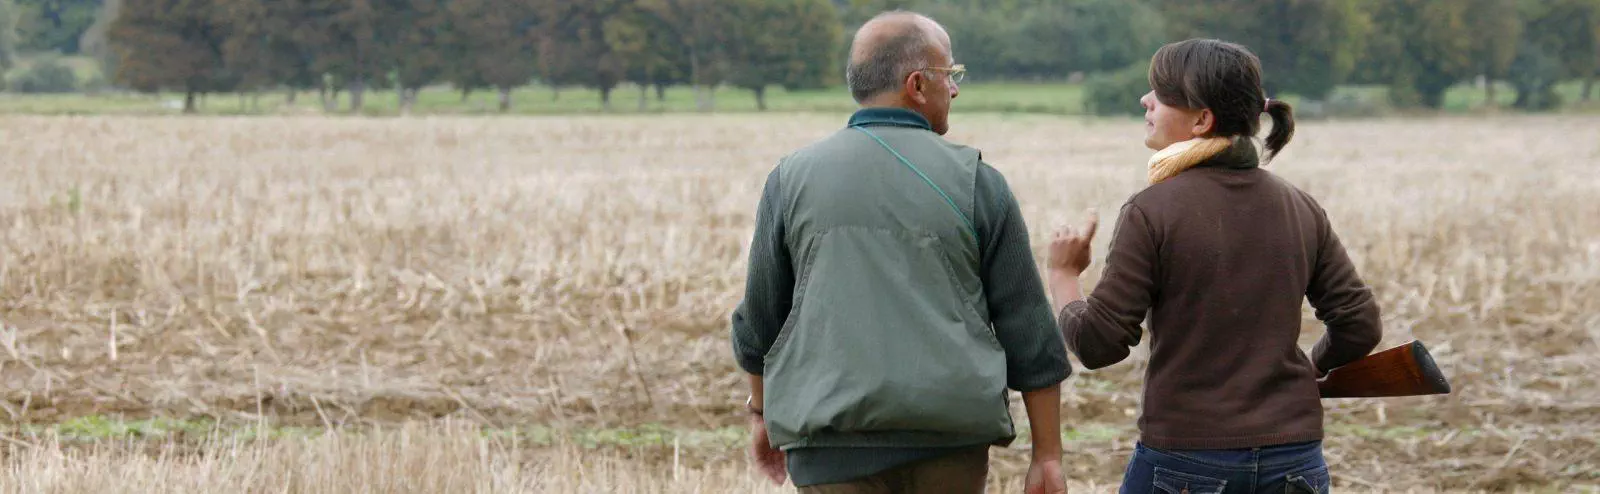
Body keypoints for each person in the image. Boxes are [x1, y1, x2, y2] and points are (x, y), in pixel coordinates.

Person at [729, 10, 1071, 494]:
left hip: (830, 450)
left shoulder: (790, 180)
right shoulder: (978, 183)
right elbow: (1029, 330)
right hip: (949, 449)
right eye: (950, 75)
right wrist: (1048, 455)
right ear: (917, 84)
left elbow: (759, 321)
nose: (954, 89)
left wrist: (762, 415)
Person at [1045, 39, 1383, 494]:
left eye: (1160, 93)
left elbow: (1098, 343)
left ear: (1202, 120)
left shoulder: (1153, 210)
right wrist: (1309, 369)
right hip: (1296, 460)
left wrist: (1064, 275)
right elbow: (1359, 324)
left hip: (1189, 458)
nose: (1146, 100)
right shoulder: (1300, 206)